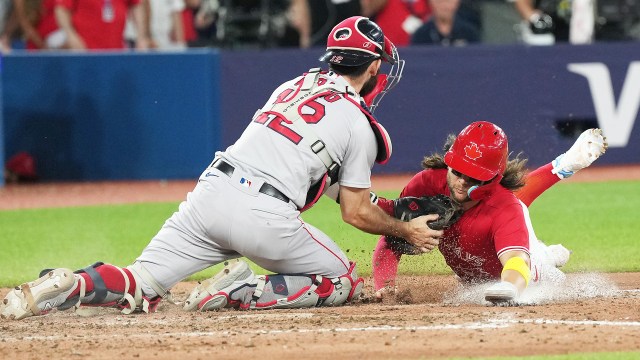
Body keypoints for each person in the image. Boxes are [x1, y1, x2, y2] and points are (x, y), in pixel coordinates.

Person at [1, 16, 441, 320]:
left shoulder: (292, 85)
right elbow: (355, 212)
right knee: (343, 279)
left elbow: (311, 168)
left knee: (141, 285)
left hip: (212, 193)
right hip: (264, 214)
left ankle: (69, 284)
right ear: (374, 66)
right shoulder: (359, 123)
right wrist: (405, 230)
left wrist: (386, 207)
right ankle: (239, 291)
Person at [372, 122, 608, 303]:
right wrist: (386, 285)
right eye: (457, 172)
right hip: (473, 270)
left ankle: (548, 255)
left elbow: (516, 260)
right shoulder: (426, 183)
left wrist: (510, 287)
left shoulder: (505, 206)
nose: (461, 182)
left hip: (522, 264)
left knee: (548, 276)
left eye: (473, 176)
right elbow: (391, 235)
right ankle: (562, 168)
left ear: (493, 178)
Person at [54, 0, 152, 50]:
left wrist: (141, 36)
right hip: (85, 50)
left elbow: (137, 5)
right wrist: (71, 36)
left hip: (116, 50)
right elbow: (61, 9)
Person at [410, 0, 480, 46]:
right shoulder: (420, 36)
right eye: (440, 1)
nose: (445, 7)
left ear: (457, 2)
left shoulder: (469, 33)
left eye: (448, 1)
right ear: (431, 3)